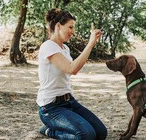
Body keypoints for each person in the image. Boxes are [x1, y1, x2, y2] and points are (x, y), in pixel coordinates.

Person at [36, 8, 107, 140]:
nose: (73, 32)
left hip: (69, 103)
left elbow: (75, 67)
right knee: (86, 135)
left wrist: (90, 45)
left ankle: (56, 128)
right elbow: (72, 69)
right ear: (58, 26)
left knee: (101, 133)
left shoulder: (65, 48)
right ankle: (50, 131)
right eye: (70, 27)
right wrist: (90, 44)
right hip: (50, 108)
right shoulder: (48, 46)